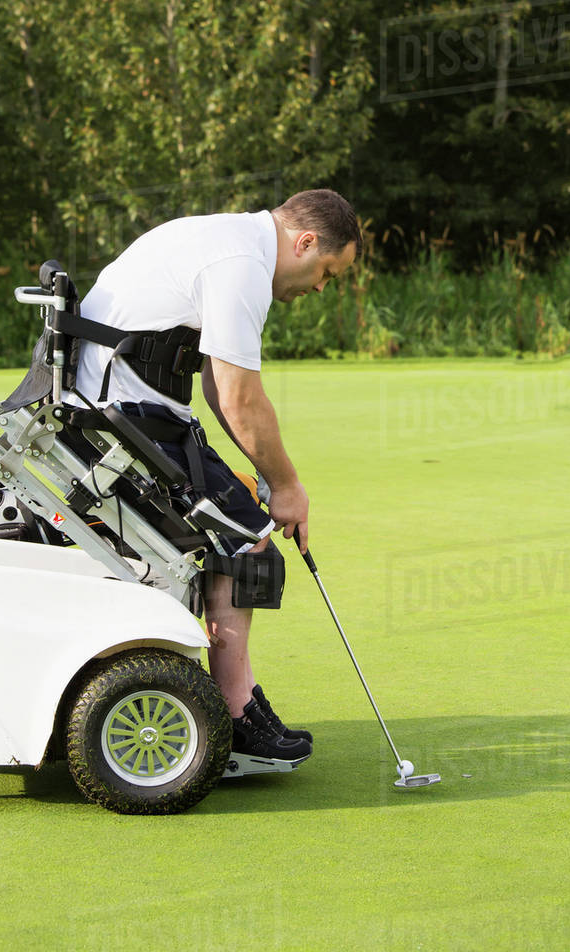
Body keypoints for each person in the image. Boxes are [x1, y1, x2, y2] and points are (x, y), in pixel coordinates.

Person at [68, 188, 361, 764]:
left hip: (132, 411)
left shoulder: (232, 240)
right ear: (304, 242)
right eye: (327, 270)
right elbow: (241, 398)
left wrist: (255, 473)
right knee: (247, 540)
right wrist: (288, 488)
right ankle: (235, 715)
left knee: (240, 513)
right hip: (118, 419)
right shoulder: (241, 265)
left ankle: (234, 700)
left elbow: (213, 388)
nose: (321, 287)